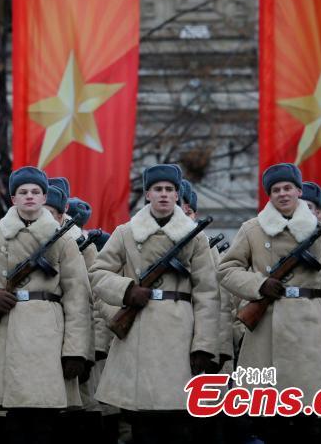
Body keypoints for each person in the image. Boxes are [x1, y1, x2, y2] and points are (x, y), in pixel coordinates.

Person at [0, 166, 92, 444]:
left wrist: (77, 350)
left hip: (49, 333)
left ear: (44, 198)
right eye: (23, 192)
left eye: (36, 192)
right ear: (13, 199)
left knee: (45, 422)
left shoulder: (63, 240)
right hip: (8, 328)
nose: (30, 197)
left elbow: (78, 296)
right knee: (15, 421)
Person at [218, 163, 321, 444]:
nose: (282, 194)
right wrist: (258, 285)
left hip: (311, 336)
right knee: (270, 425)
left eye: (288, 188)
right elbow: (226, 269)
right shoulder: (252, 229)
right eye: (276, 189)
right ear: (270, 195)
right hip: (266, 332)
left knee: (312, 423)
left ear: (299, 191)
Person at [89, 164, 219, 444]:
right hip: (139, 330)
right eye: (157, 189)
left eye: (169, 190)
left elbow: (207, 294)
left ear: (177, 195)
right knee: (142, 424)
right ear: (147, 194)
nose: (163, 195)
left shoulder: (195, 236)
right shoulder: (126, 232)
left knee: (179, 425)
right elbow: (98, 274)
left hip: (180, 333)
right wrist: (127, 290)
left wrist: (204, 345)